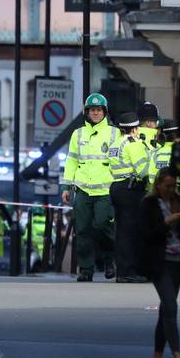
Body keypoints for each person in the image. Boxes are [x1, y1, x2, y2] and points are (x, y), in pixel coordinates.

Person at [138, 168, 180, 358]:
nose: (171, 189)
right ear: (158, 184)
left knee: (165, 311)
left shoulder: (179, 201)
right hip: (159, 262)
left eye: (174, 185)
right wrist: (166, 222)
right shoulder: (148, 204)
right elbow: (147, 234)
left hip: (177, 260)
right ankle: (178, 355)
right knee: (171, 306)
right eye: (167, 186)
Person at [61, 93, 118, 282]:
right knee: (83, 230)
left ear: (105, 112)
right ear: (87, 112)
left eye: (99, 110)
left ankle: (110, 260)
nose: (95, 113)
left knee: (103, 226)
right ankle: (86, 269)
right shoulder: (78, 134)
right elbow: (71, 161)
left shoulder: (114, 133)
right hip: (83, 190)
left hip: (105, 190)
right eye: (92, 110)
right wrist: (66, 186)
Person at [109, 112, 150, 283]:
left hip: (117, 187)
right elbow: (143, 170)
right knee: (131, 232)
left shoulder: (115, 143)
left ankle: (122, 271)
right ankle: (129, 272)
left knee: (121, 231)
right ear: (134, 129)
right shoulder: (134, 144)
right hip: (131, 189)